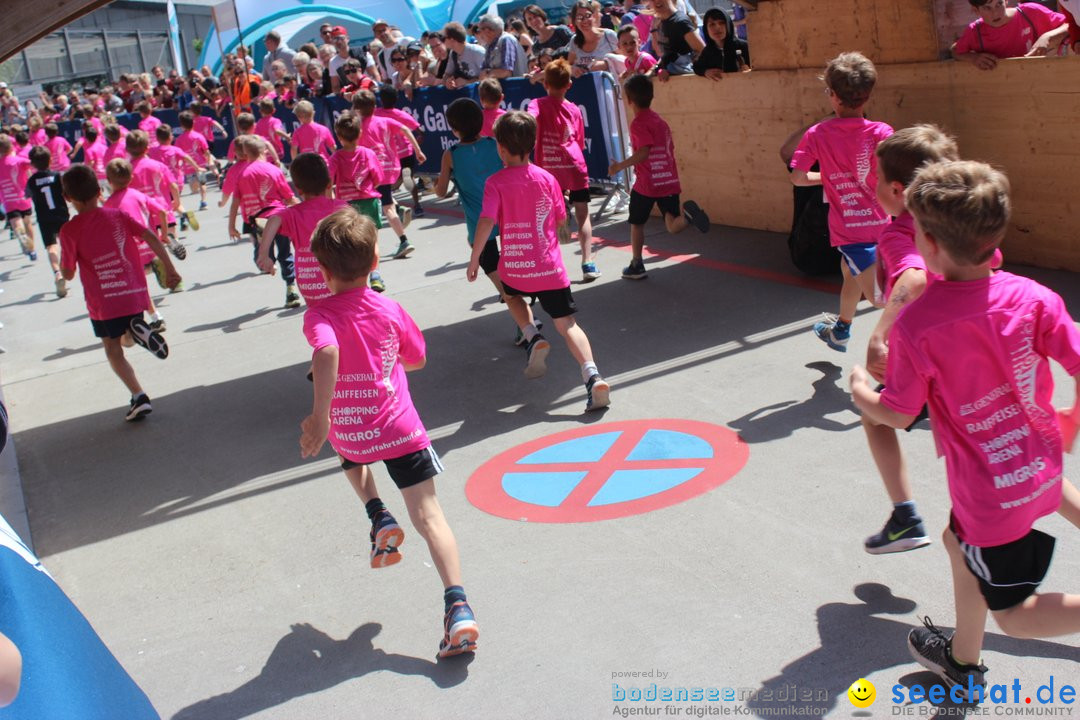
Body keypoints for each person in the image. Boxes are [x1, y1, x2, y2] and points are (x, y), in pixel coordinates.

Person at [850, 159, 1080, 698]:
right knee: (957, 547)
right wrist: (1069, 423)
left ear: (927, 243)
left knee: (1016, 615)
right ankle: (963, 662)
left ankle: (966, 663)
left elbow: (898, 413)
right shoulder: (1034, 297)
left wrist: (862, 389)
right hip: (1038, 460)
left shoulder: (920, 325)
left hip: (990, 494)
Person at [298, 207, 478, 658]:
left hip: (354, 432)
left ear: (322, 270)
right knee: (429, 516)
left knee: (348, 451)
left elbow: (326, 352)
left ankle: (378, 514)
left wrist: (320, 416)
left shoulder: (319, 314)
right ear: (376, 260)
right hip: (399, 429)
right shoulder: (390, 308)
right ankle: (458, 606)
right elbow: (416, 360)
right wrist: (387, 357)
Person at [857, 125, 960, 555]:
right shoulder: (961, 224)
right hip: (976, 356)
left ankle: (905, 515)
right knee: (1023, 465)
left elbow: (913, 279)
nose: (871, 184)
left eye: (876, 177)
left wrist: (880, 335)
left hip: (935, 365)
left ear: (898, 190)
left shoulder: (901, 232)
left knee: (872, 410)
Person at [468, 111, 612, 412]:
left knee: (511, 295)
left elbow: (485, 221)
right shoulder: (548, 179)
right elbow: (562, 222)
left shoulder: (496, 182)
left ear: (502, 149)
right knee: (568, 323)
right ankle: (592, 374)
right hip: (549, 268)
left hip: (517, 267)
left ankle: (532, 335)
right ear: (532, 145)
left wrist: (475, 257)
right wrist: (561, 232)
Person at [59, 164, 180, 421]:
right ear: (98, 190)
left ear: (68, 198)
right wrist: (169, 269)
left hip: (104, 301)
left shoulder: (70, 230)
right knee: (127, 330)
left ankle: (139, 396)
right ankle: (136, 329)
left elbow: (68, 273)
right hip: (134, 293)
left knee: (113, 349)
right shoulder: (117, 216)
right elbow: (151, 236)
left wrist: (61, 270)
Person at [790, 52, 893, 352]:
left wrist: (827, 178)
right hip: (883, 226)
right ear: (867, 95)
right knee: (850, 273)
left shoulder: (817, 134)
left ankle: (905, 364)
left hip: (851, 233)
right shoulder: (882, 132)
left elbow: (797, 177)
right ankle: (841, 331)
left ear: (833, 96)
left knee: (881, 298)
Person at [435, 98, 526, 343]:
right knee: (508, 263)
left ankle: (519, 313)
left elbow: (441, 192)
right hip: (507, 214)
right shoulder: (494, 144)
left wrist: (438, 183)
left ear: (454, 128)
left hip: (479, 222)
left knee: (491, 266)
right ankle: (516, 298)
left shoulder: (451, 154)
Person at [607, 73, 709, 280]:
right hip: (668, 180)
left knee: (637, 223)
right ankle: (687, 218)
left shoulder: (638, 123)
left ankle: (636, 264)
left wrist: (619, 166)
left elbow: (644, 152)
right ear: (651, 96)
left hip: (647, 183)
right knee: (672, 224)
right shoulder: (660, 122)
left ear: (629, 100)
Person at [528, 59, 599, 282]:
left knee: (546, 219)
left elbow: (530, 119)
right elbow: (578, 141)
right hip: (574, 166)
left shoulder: (537, 104)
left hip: (549, 170)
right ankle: (587, 262)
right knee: (583, 214)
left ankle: (552, 266)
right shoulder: (575, 110)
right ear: (569, 84)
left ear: (546, 84)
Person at [257, 151, 348, 303]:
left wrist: (264, 253)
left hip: (310, 281)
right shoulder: (340, 207)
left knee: (319, 316)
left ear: (298, 189)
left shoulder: (293, 214)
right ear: (329, 184)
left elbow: (273, 220)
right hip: (340, 275)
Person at [351, 89, 425, 259]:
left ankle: (404, 240)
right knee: (383, 197)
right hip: (391, 165)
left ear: (357, 109)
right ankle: (399, 207)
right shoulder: (384, 121)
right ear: (374, 105)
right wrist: (418, 151)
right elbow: (406, 129)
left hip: (375, 171)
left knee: (386, 208)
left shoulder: (359, 128)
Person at [227, 136, 300, 308]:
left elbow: (235, 202)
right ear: (264, 151)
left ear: (245, 153)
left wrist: (231, 226)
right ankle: (291, 287)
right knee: (285, 253)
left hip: (256, 219)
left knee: (262, 252)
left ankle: (267, 262)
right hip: (278, 217)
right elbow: (289, 197)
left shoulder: (242, 174)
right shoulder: (273, 171)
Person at [103, 158, 171, 332]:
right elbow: (162, 211)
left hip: (131, 251)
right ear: (131, 177)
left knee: (135, 285)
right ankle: (153, 266)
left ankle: (156, 317)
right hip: (151, 244)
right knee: (140, 279)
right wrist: (163, 234)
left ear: (109, 181)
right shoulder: (138, 195)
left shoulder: (110, 204)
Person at [325, 113, 387, 292]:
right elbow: (378, 177)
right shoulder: (368, 153)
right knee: (372, 239)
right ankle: (375, 274)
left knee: (350, 240)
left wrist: (330, 203)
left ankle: (355, 277)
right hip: (368, 200)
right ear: (360, 133)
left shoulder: (336, 158)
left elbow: (329, 182)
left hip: (346, 204)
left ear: (338, 136)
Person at [127, 130, 188, 264]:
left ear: (128, 150)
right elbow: (173, 186)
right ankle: (172, 240)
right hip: (163, 207)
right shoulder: (158, 166)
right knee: (169, 232)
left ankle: (159, 259)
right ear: (147, 148)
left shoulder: (128, 170)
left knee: (152, 240)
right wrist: (177, 201)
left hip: (144, 211)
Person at [952, 0, 1068, 70]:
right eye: (987, 8)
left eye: (999, 3)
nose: (996, 13)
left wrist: (1047, 37)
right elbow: (955, 50)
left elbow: (1069, 25)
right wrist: (973, 58)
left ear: (1006, 0)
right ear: (975, 10)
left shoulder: (1030, 12)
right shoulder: (974, 31)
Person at [375, 84, 425, 217]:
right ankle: (417, 205)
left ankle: (392, 204)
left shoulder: (377, 114)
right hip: (406, 152)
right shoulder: (401, 114)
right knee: (409, 178)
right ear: (397, 98)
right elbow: (420, 131)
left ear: (380, 99)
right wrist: (418, 141)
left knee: (389, 182)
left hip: (390, 155)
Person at [25, 146, 70, 296]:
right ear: (50, 160)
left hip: (44, 217)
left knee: (51, 247)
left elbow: (27, 195)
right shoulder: (57, 176)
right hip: (61, 214)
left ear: (32, 164)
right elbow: (65, 192)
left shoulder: (32, 181)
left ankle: (57, 273)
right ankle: (66, 265)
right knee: (65, 242)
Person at [149, 125, 201, 233]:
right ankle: (184, 216)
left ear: (157, 138)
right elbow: (187, 157)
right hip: (178, 181)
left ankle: (183, 216)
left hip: (163, 183)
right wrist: (196, 167)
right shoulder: (175, 150)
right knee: (175, 202)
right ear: (171, 137)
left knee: (171, 203)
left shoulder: (153, 151)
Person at [0, 134, 36, 259]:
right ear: (11, 147)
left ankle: (22, 238)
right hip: (23, 197)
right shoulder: (19, 160)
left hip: (8, 200)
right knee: (28, 223)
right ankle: (32, 250)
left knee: (16, 224)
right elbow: (33, 164)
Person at [648, 0, 705, 78]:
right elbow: (667, 54)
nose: (657, 1)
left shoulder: (680, 22)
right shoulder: (662, 21)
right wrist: (656, 69)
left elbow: (702, 51)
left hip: (687, 82)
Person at [693, 7, 751, 79]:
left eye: (722, 23)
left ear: (728, 25)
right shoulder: (707, 51)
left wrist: (749, 70)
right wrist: (705, 72)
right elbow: (697, 67)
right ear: (706, 29)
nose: (717, 27)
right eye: (712, 24)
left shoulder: (744, 46)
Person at [567, 1, 621, 77]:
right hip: (588, 86)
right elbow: (568, 65)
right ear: (574, 21)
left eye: (588, 15)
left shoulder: (609, 35)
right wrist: (573, 69)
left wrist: (606, 64)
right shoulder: (574, 41)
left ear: (593, 17)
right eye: (579, 17)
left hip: (612, 85)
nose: (585, 20)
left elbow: (626, 59)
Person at [175, 111, 212, 210]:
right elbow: (206, 151)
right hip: (200, 163)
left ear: (182, 125)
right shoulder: (199, 136)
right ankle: (203, 200)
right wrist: (209, 161)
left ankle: (204, 201)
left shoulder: (179, 140)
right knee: (201, 184)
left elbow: (178, 155)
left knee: (196, 186)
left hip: (188, 166)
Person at [476, 14, 528, 79]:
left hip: (514, 87)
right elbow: (483, 71)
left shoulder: (506, 40)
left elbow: (506, 72)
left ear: (487, 31)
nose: (478, 35)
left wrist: (488, 73)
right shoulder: (489, 45)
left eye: (479, 31)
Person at [442, 22, 486, 88]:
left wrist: (467, 82)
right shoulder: (453, 53)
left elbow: (488, 77)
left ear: (452, 39)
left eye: (443, 38)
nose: (442, 41)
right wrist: (447, 82)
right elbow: (447, 74)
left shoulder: (477, 51)